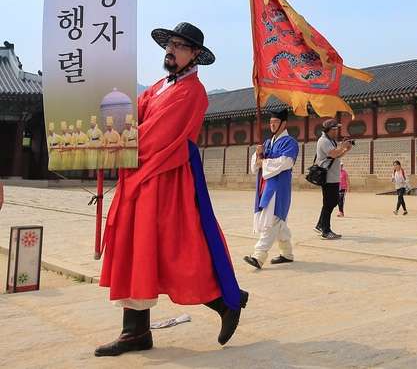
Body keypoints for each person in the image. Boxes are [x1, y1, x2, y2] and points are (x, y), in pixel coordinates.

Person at [96, 23, 246, 357]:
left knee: (174, 248)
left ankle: (225, 302)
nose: (171, 50)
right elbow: (132, 117)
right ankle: (134, 332)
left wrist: (119, 141)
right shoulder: (159, 86)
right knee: (136, 249)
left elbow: (157, 136)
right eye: (170, 44)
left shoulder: (193, 92)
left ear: (194, 55)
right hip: (139, 176)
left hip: (167, 176)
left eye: (180, 46)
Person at [245, 108, 299, 269]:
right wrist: (258, 154)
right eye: (270, 122)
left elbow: (286, 162)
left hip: (279, 187)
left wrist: (264, 163)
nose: (272, 125)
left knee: (273, 220)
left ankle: (258, 255)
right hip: (266, 185)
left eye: (275, 122)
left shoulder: (290, 142)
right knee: (278, 222)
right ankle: (287, 253)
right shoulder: (268, 143)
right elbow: (256, 164)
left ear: (284, 123)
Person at [314, 118, 352, 239]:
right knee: (329, 203)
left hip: (333, 176)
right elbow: (333, 154)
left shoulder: (331, 141)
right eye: (335, 129)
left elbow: (338, 155)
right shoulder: (324, 141)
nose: (337, 131)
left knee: (332, 201)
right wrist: (342, 146)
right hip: (328, 177)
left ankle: (320, 225)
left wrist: (346, 149)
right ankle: (326, 230)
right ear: (329, 130)